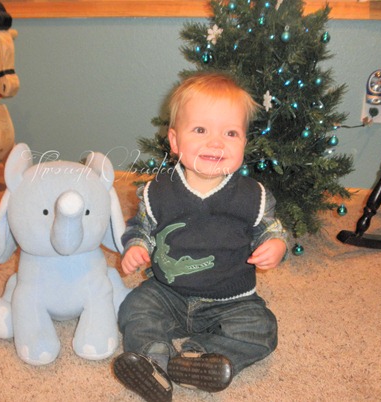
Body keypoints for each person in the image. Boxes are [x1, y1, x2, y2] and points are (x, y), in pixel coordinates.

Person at [113, 72, 288, 402]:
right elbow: (141, 227)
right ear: (175, 141)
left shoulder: (253, 196)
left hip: (232, 300)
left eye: (230, 133)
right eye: (200, 130)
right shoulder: (158, 191)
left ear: (244, 143)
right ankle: (154, 360)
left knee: (262, 328)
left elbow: (271, 228)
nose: (216, 142)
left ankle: (198, 358)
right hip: (168, 292)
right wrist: (136, 246)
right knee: (135, 308)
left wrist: (275, 245)